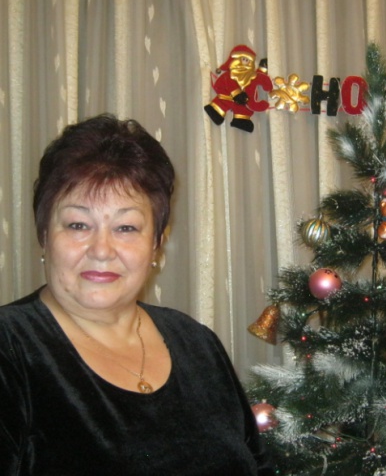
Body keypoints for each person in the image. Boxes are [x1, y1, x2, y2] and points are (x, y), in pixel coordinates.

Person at [0, 114, 273, 475]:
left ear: (156, 243)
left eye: (126, 227)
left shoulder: (197, 342)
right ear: (45, 235)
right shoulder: (11, 346)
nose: (102, 250)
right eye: (78, 224)